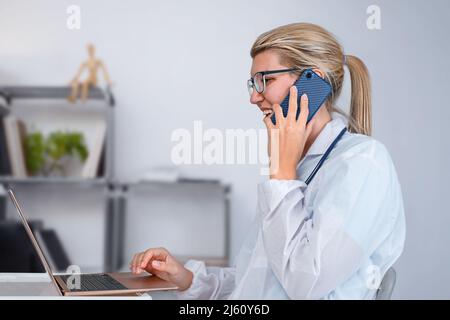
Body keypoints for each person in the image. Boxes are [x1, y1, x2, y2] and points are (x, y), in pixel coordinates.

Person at [129, 22, 406, 299]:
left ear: (313, 82)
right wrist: (185, 279)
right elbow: (256, 281)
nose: (253, 96)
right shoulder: (297, 167)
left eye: (266, 80)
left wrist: (283, 174)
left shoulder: (363, 162)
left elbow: (304, 284)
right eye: (253, 82)